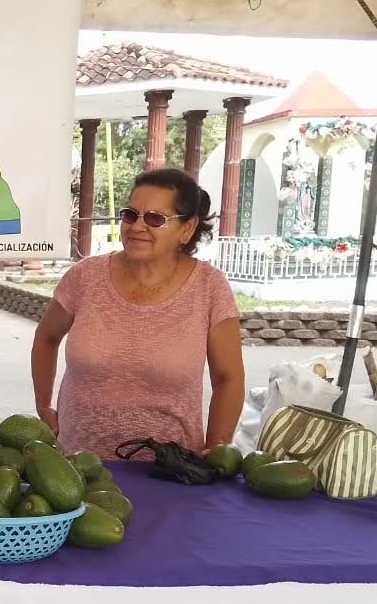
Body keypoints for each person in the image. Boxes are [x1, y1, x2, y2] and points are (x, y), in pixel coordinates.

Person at [31, 168, 244, 458]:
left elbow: (228, 378)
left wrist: (217, 446)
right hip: (78, 468)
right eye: (130, 214)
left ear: (187, 229)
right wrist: (44, 405)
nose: (137, 227)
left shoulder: (209, 288)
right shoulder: (84, 277)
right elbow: (46, 337)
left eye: (155, 219)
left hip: (169, 472)